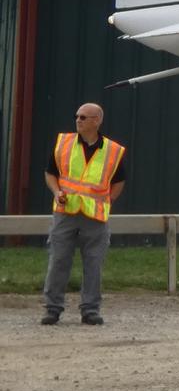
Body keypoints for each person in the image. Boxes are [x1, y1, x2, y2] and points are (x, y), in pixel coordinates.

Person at [41, 102, 127, 326]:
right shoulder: (64, 143)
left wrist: (107, 201)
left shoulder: (113, 151)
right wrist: (57, 191)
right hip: (65, 211)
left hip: (95, 218)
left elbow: (118, 182)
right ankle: (53, 309)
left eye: (83, 117)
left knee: (94, 264)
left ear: (96, 121)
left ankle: (90, 310)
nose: (77, 120)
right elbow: (50, 173)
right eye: (77, 116)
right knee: (59, 260)